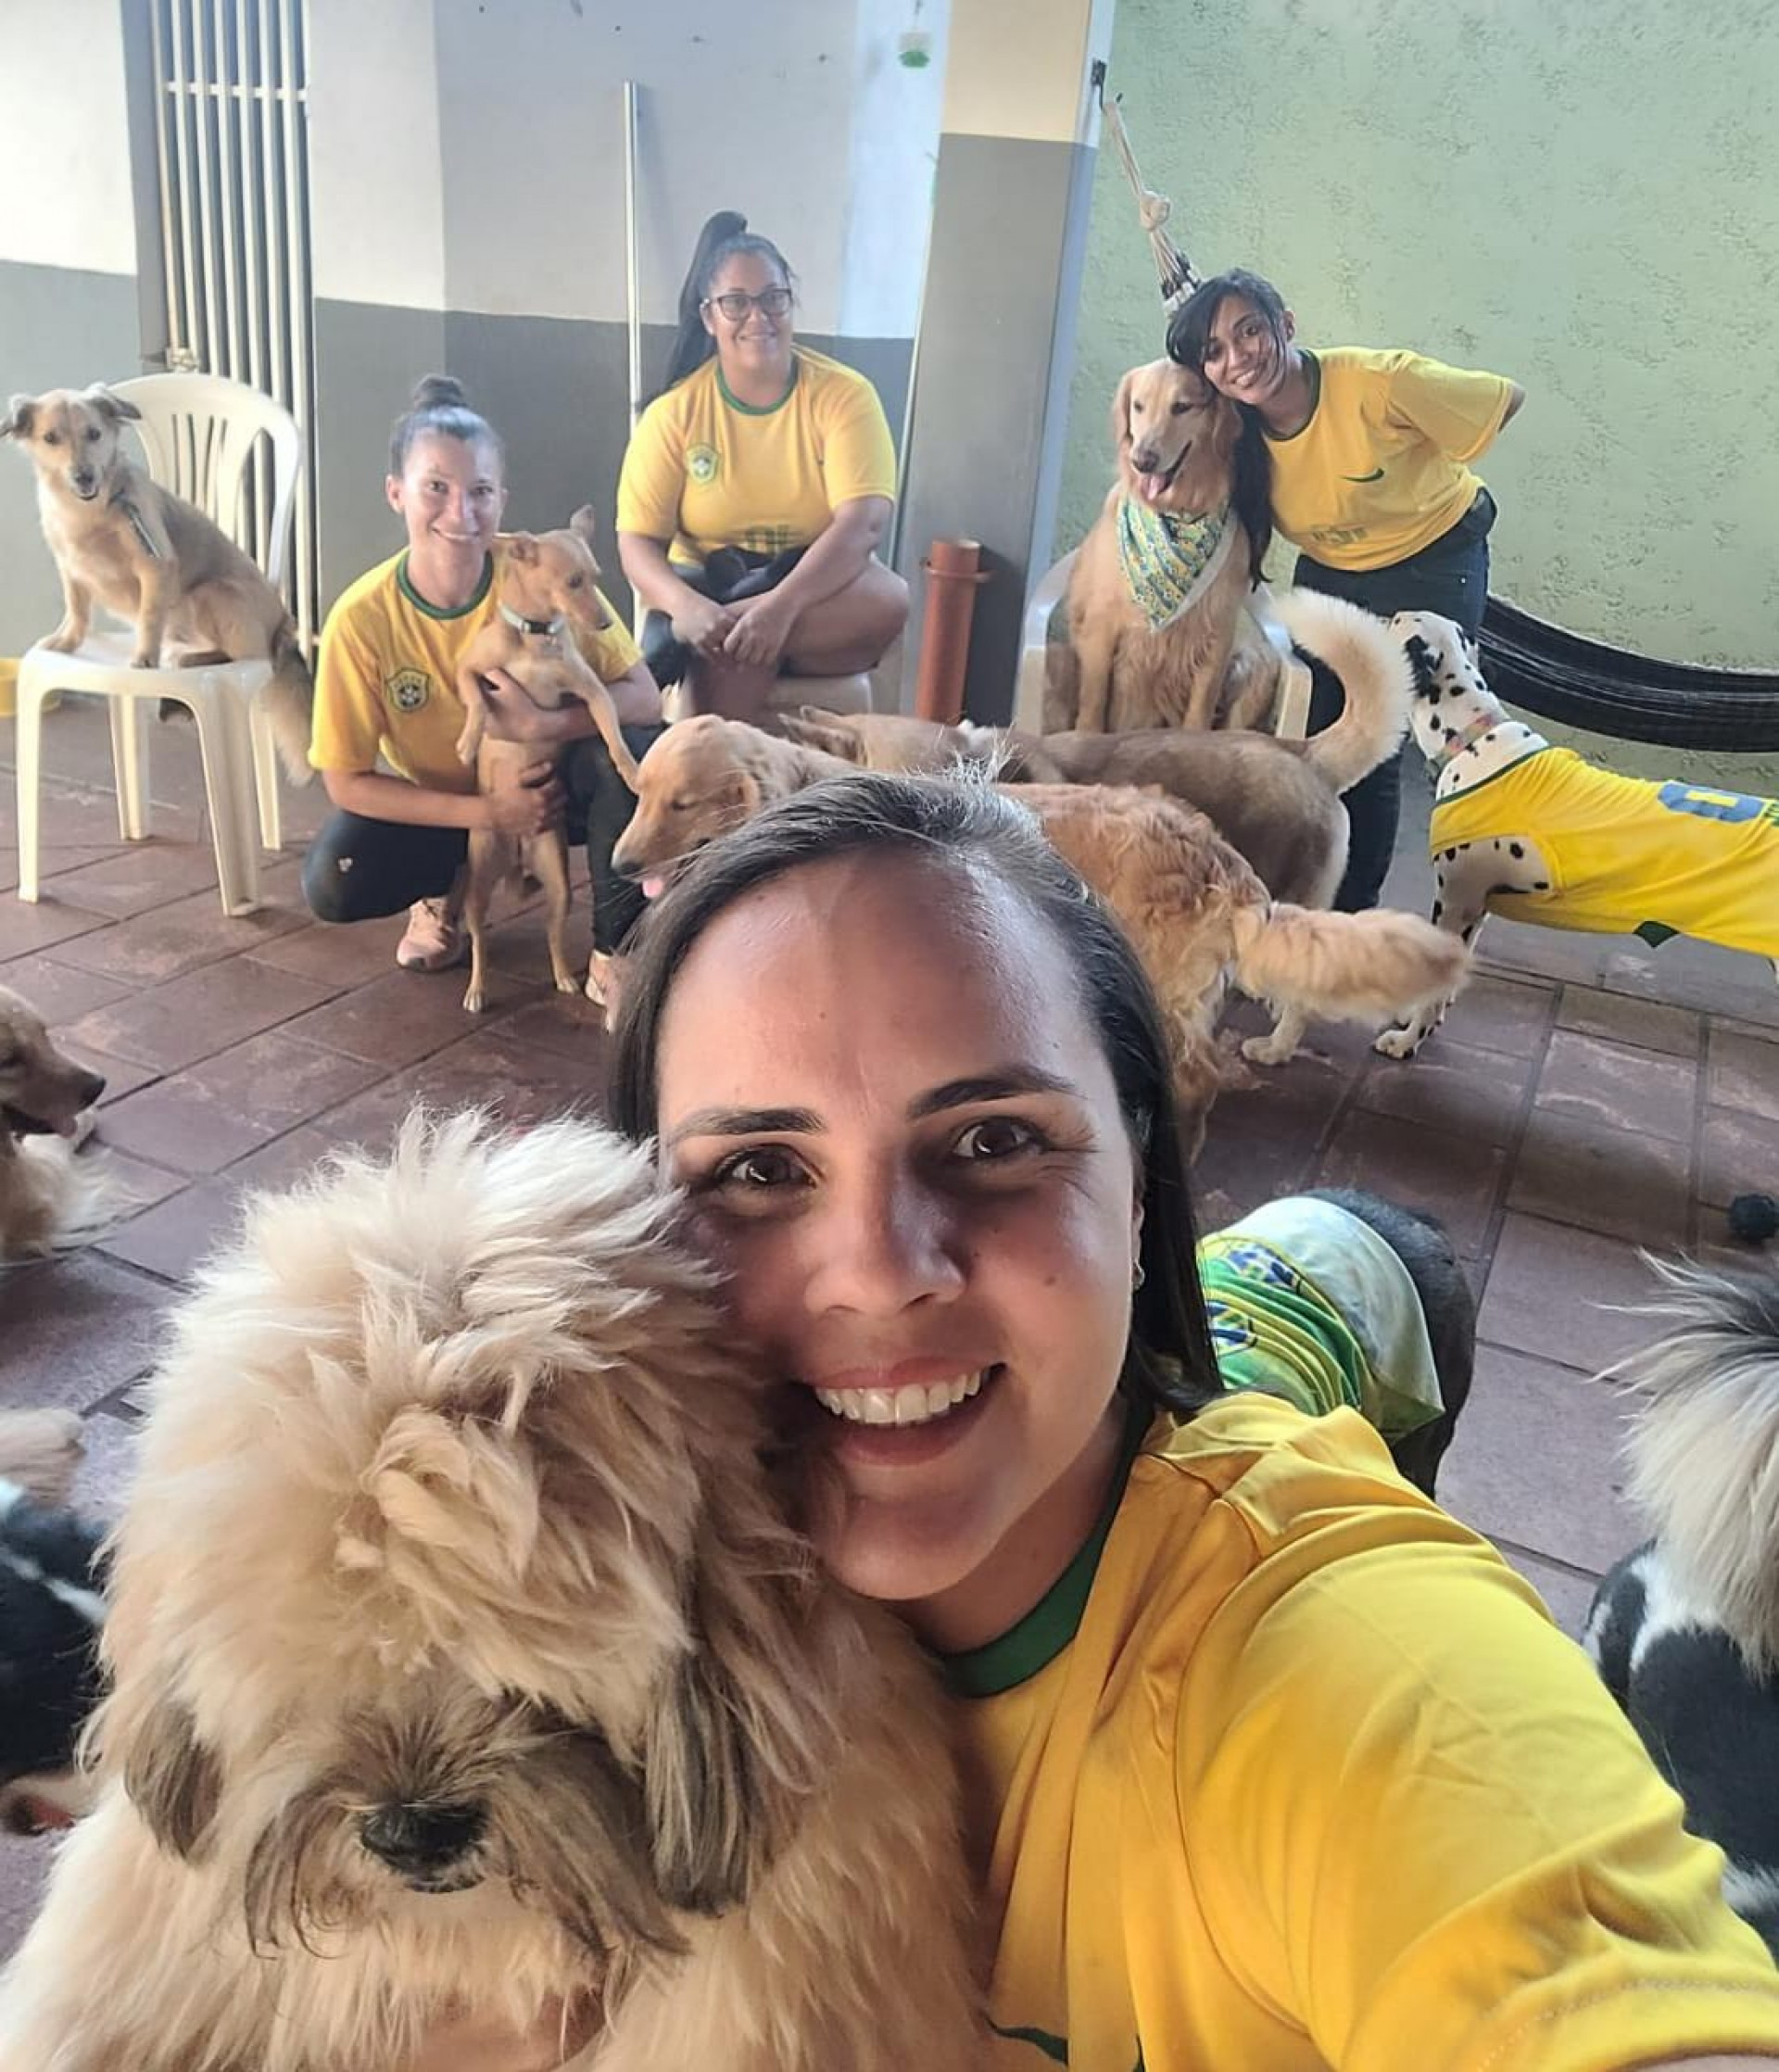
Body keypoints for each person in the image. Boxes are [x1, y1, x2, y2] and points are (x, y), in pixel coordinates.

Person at [422, 771, 1779, 2070]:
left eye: (996, 1141)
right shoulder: (551, 1590)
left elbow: (1467, 1807)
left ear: (1139, 1191)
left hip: (1383, 1293)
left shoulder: (1339, 1667)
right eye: (763, 1169)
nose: (884, 1273)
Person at [1168, 270, 1525, 913]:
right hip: (1333, 568)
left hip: (1434, 556)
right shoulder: (1235, 432)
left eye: (1249, 329)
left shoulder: (1377, 381)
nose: (1238, 357)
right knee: (1319, 729)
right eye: (1214, 351)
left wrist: (1416, 480)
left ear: (1286, 324)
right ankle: (1303, 893)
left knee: (1382, 735)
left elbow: (1506, 398)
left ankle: (1353, 915)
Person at [303, 375, 664, 978]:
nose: (461, 513)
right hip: (454, 803)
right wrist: (492, 815)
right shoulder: (361, 619)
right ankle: (446, 885)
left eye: (481, 491)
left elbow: (644, 696)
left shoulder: (544, 568)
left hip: (554, 788)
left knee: (628, 753)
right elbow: (345, 782)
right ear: (396, 493)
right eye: (435, 489)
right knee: (336, 880)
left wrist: (547, 721)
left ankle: (613, 948)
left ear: (503, 500)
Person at [615, 211, 909, 722]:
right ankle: (730, 785)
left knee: (889, 598)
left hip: (817, 587)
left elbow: (863, 524)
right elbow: (637, 544)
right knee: (736, 644)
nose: (758, 317)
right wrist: (685, 609)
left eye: (773, 298)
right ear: (709, 317)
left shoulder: (844, 396)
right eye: (736, 303)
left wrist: (778, 607)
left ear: (790, 303)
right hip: (711, 588)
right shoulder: (675, 414)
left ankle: (718, 649)